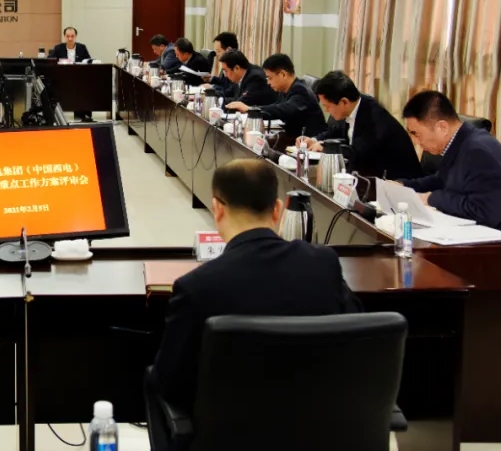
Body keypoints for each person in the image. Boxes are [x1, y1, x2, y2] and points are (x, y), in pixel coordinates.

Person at [149, 159, 361, 426]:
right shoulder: (324, 264)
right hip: (320, 430)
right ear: (278, 210)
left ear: (217, 209)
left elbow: (169, 383)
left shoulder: (196, 287)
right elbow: (358, 338)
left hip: (230, 436)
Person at [399, 91, 501, 246]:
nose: (415, 141)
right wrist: (403, 186)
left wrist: (432, 198)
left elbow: (486, 210)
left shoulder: (477, 151)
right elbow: (440, 180)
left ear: (442, 127)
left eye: (416, 134)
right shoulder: (460, 143)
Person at [300, 72, 422, 180]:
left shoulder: (374, 118)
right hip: (370, 177)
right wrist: (314, 140)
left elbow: (359, 155)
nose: (326, 110)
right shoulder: (351, 108)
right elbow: (334, 132)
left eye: (327, 106)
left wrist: (327, 148)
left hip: (399, 183)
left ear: (344, 102)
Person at [226, 53, 326, 138]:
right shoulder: (285, 89)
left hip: (308, 143)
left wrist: (251, 110)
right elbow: (275, 107)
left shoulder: (300, 90)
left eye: (270, 78)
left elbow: (283, 110)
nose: (268, 82)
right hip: (293, 137)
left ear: (283, 74)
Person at [48, 27, 94, 122]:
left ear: (75, 37)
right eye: (68, 36)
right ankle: (53, 116)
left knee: (86, 88)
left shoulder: (82, 48)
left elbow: (88, 60)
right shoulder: (58, 48)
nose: (70, 38)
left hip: (78, 77)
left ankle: (83, 115)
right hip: (62, 78)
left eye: (72, 36)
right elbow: (50, 60)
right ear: (64, 37)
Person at [205, 50, 276, 105]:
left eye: (226, 71)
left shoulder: (255, 78)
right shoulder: (241, 76)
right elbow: (228, 93)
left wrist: (216, 101)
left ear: (236, 68)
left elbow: (241, 103)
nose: (225, 75)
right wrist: (209, 94)